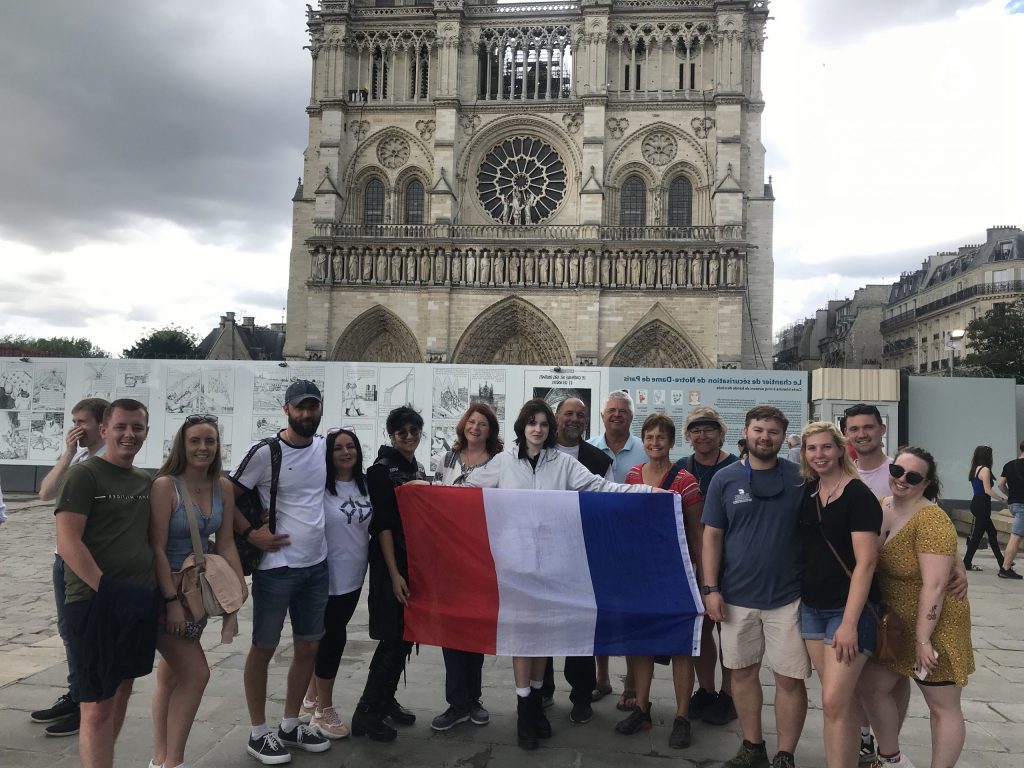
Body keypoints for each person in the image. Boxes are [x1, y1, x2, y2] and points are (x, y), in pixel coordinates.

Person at [465, 398, 658, 751]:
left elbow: (603, 488)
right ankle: (525, 710)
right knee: (523, 638)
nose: (537, 429)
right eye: (532, 423)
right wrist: (424, 488)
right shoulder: (504, 462)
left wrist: (648, 492)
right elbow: (463, 489)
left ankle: (536, 705)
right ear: (522, 426)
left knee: (542, 637)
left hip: (553, 564)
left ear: (549, 429)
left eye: (543, 424)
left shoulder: (563, 463)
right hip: (516, 565)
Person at [702, 405, 810, 768]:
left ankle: (785, 754)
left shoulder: (801, 477)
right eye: (759, 430)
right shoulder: (725, 479)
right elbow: (712, 535)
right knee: (743, 673)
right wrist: (711, 589)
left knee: (789, 679)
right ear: (746, 432)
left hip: (788, 597)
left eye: (773, 432)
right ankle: (752, 746)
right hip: (736, 597)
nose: (765, 437)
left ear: (783, 437)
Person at [54, 399, 161, 768]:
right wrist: (110, 591)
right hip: (93, 602)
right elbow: (68, 542)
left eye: (137, 428)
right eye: (121, 427)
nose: (129, 434)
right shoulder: (84, 476)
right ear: (104, 430)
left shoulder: (145, 481)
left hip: (138, 602)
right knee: (97, 705)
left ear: (146, 432)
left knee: (121, 692)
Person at [231, 380, 332, 764]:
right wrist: (250, 533)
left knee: (308, 646)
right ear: (286, 410)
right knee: (264, 647)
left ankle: (290, 724)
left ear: (320, 408)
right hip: (277, 569)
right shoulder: (265, 452)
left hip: (316, 565)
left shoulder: (323, 447)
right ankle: (258, 731)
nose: (306, 413)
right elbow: (225, 492)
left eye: (312, 406)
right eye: (299, 407)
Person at [859, 448, 975, 768]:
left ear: (926, 482)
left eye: (912, 476)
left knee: (941, 705)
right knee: (872, 688)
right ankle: (891, 760)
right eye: (897, 471)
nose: (902, 480)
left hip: (935, 625)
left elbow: (935, 586)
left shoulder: (932, 519)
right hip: (895, 624)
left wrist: (924, 639)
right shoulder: (881, 506)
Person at [150, 415, 246, 768]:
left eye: (210, 441)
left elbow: (226, 541)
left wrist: (239, 585)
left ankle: (159, 758)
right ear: (182, 445)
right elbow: (156, 548)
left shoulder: (223, 487)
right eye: (195, 441)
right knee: (196, 674)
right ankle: (173, 762)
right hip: (168, 592)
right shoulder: (165, 486)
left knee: (171, 674)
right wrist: (171, 603)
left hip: (197, 593)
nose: (203, 448)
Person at [614, 413, 704, 750]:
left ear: (671, 441)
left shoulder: (685, 481)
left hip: (677, 573)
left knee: (681, 646)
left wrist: (703, 577)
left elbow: (697, 532)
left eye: (661, 438)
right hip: (641, 572)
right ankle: (641, 708)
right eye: (649, 437)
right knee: (641, 642)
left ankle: (682, 717)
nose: (655, 443)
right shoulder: (633, 475)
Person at [797, 422, 881, 768]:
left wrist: (848, 624)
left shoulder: (858, 496)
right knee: (837, 702)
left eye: (826, 447)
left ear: (840, 450)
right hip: (812, 608)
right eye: (812, 448)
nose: (819, 454)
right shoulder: (808, 492)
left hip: (848, 612)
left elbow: (866, 563)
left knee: (834, 702)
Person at [33, 397, 108, 738]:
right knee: (68, 630)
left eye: (82, 421)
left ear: (101, 425)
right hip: (62, 557)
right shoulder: (78, 458)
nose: (75, 427)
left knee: (82, 632)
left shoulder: (106, 460)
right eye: (73, 421)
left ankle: (86, 702)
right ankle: (76, 693)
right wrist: (67, 453)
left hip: (85, 558)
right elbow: (45, 493)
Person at [351, 406, 427, 742]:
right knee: (393, 636)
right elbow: (381, 526)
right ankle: (366, 711)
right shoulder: (381, 470)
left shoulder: (414, 467)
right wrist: (395, 574)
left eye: (414, 431)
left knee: (405, 635)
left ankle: (385, 699)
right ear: (391, 435)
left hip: (412, 561)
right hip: (390, 563)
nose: (409, 437)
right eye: (402, 432)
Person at [429, 403, 503, 732]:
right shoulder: (447, 460)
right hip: (448, 557)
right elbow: (434, 500)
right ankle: (457, 702)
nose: (475, 427)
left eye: (482, 424)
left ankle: (474, 699)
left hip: (482, 555)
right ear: (463, 425)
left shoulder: (498, 462)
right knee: (451, 629)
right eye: (471, 422)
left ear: (491, 430)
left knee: (475, 629)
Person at [542, 396, 615, 722]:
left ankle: (581, 696)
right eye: (568, 413)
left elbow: (608, 504)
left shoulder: (598, 459)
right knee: (541, 624)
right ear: (556, 416)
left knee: (580, 628)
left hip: (581, 555)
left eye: (580, 415)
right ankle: (541, 689)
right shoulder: (536, 453)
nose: (574, 419)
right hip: (543, 554)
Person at [300, 428, 373, 740]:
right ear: (328, 455)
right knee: (331, 640)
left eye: (350, 446)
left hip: (353, 577)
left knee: (328, 634)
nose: (346, 452)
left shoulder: (365, 484)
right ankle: (323, 709)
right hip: (323, 577)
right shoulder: (319, 486)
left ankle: (310, 696)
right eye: (338, 448)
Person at [587, 390, 645, 708]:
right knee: (601, 612)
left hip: (634, 543)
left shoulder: (644, 450)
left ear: (631, 416)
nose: (617, 414)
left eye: (623, 410)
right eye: (612, 410)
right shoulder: (589, 449)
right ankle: (602, 678)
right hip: (599, 540)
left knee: (632, 614)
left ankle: (632, 684)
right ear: (603, 415)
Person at [683, 405, 740, 727]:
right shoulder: (682, 467)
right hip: (693, 561)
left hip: (731, 562)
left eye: (709, 429)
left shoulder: (737, 468)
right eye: (696, 429)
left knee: (728, 629)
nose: (702, 435)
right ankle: (705, 689)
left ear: (721, 433)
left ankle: (729, 695)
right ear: (688, 435)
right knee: (701, 629)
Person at [963, 445, 1005, 573]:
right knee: (979, 535)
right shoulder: (985, 470)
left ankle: (1002, 561)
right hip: (983, 504)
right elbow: (988, 490)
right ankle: (1002, 563)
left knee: (990, 533)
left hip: (976, 503)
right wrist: (1002, 499)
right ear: (987, 457)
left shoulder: (975, 468)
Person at [996, 441, 1024, 579]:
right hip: (1022, 507)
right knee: (1016, 537)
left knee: (1017, 535)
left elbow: (1000, 484)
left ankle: (1006, 565)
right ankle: (1005, 568)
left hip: (1013, 504)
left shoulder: (1009, 464)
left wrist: (1010, 495)